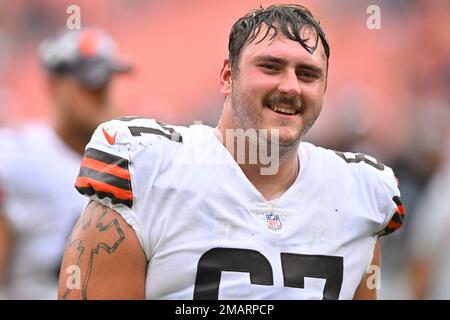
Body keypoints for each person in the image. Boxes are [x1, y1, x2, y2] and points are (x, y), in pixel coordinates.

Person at [58, 4, 404, 300]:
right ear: (227, 76)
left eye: (308, 74)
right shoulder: (147, 168)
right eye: (270, 67)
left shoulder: (362, 195)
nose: (290, 86)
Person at [0, 27, 131, 299]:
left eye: (107, 81)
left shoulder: (137, 158)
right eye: (90, 82)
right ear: (54, 85)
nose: (102, 94)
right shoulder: (15, 158)